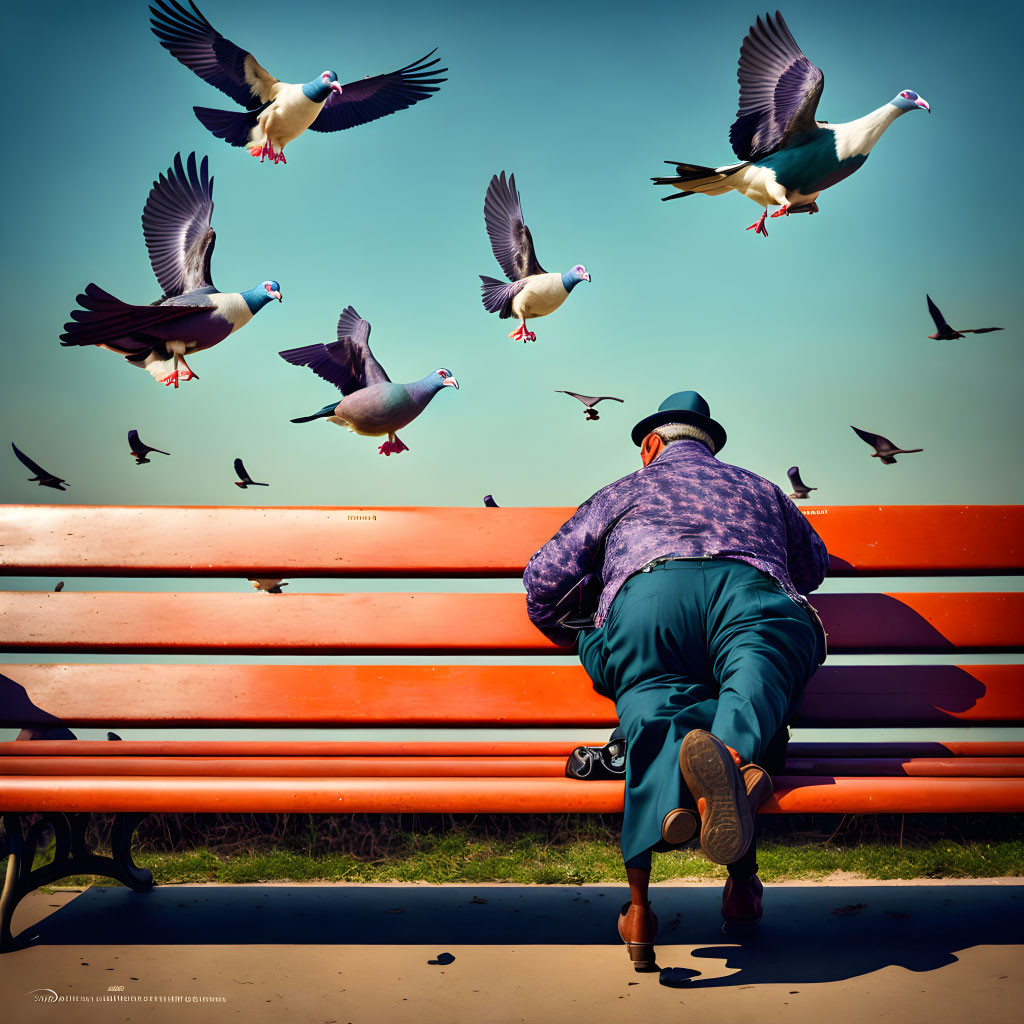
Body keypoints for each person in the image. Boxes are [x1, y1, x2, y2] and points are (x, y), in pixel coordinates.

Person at [523, 390, 828, 970]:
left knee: (653, 714)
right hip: (749, 595)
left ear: (652, 445)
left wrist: (583, 624)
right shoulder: (760, 486)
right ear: (711, 448)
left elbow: (544, 576)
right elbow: (813, 566)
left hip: (651, 602)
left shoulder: (625, 489)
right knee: (750, 683)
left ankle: (641, 905)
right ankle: (740, 774)